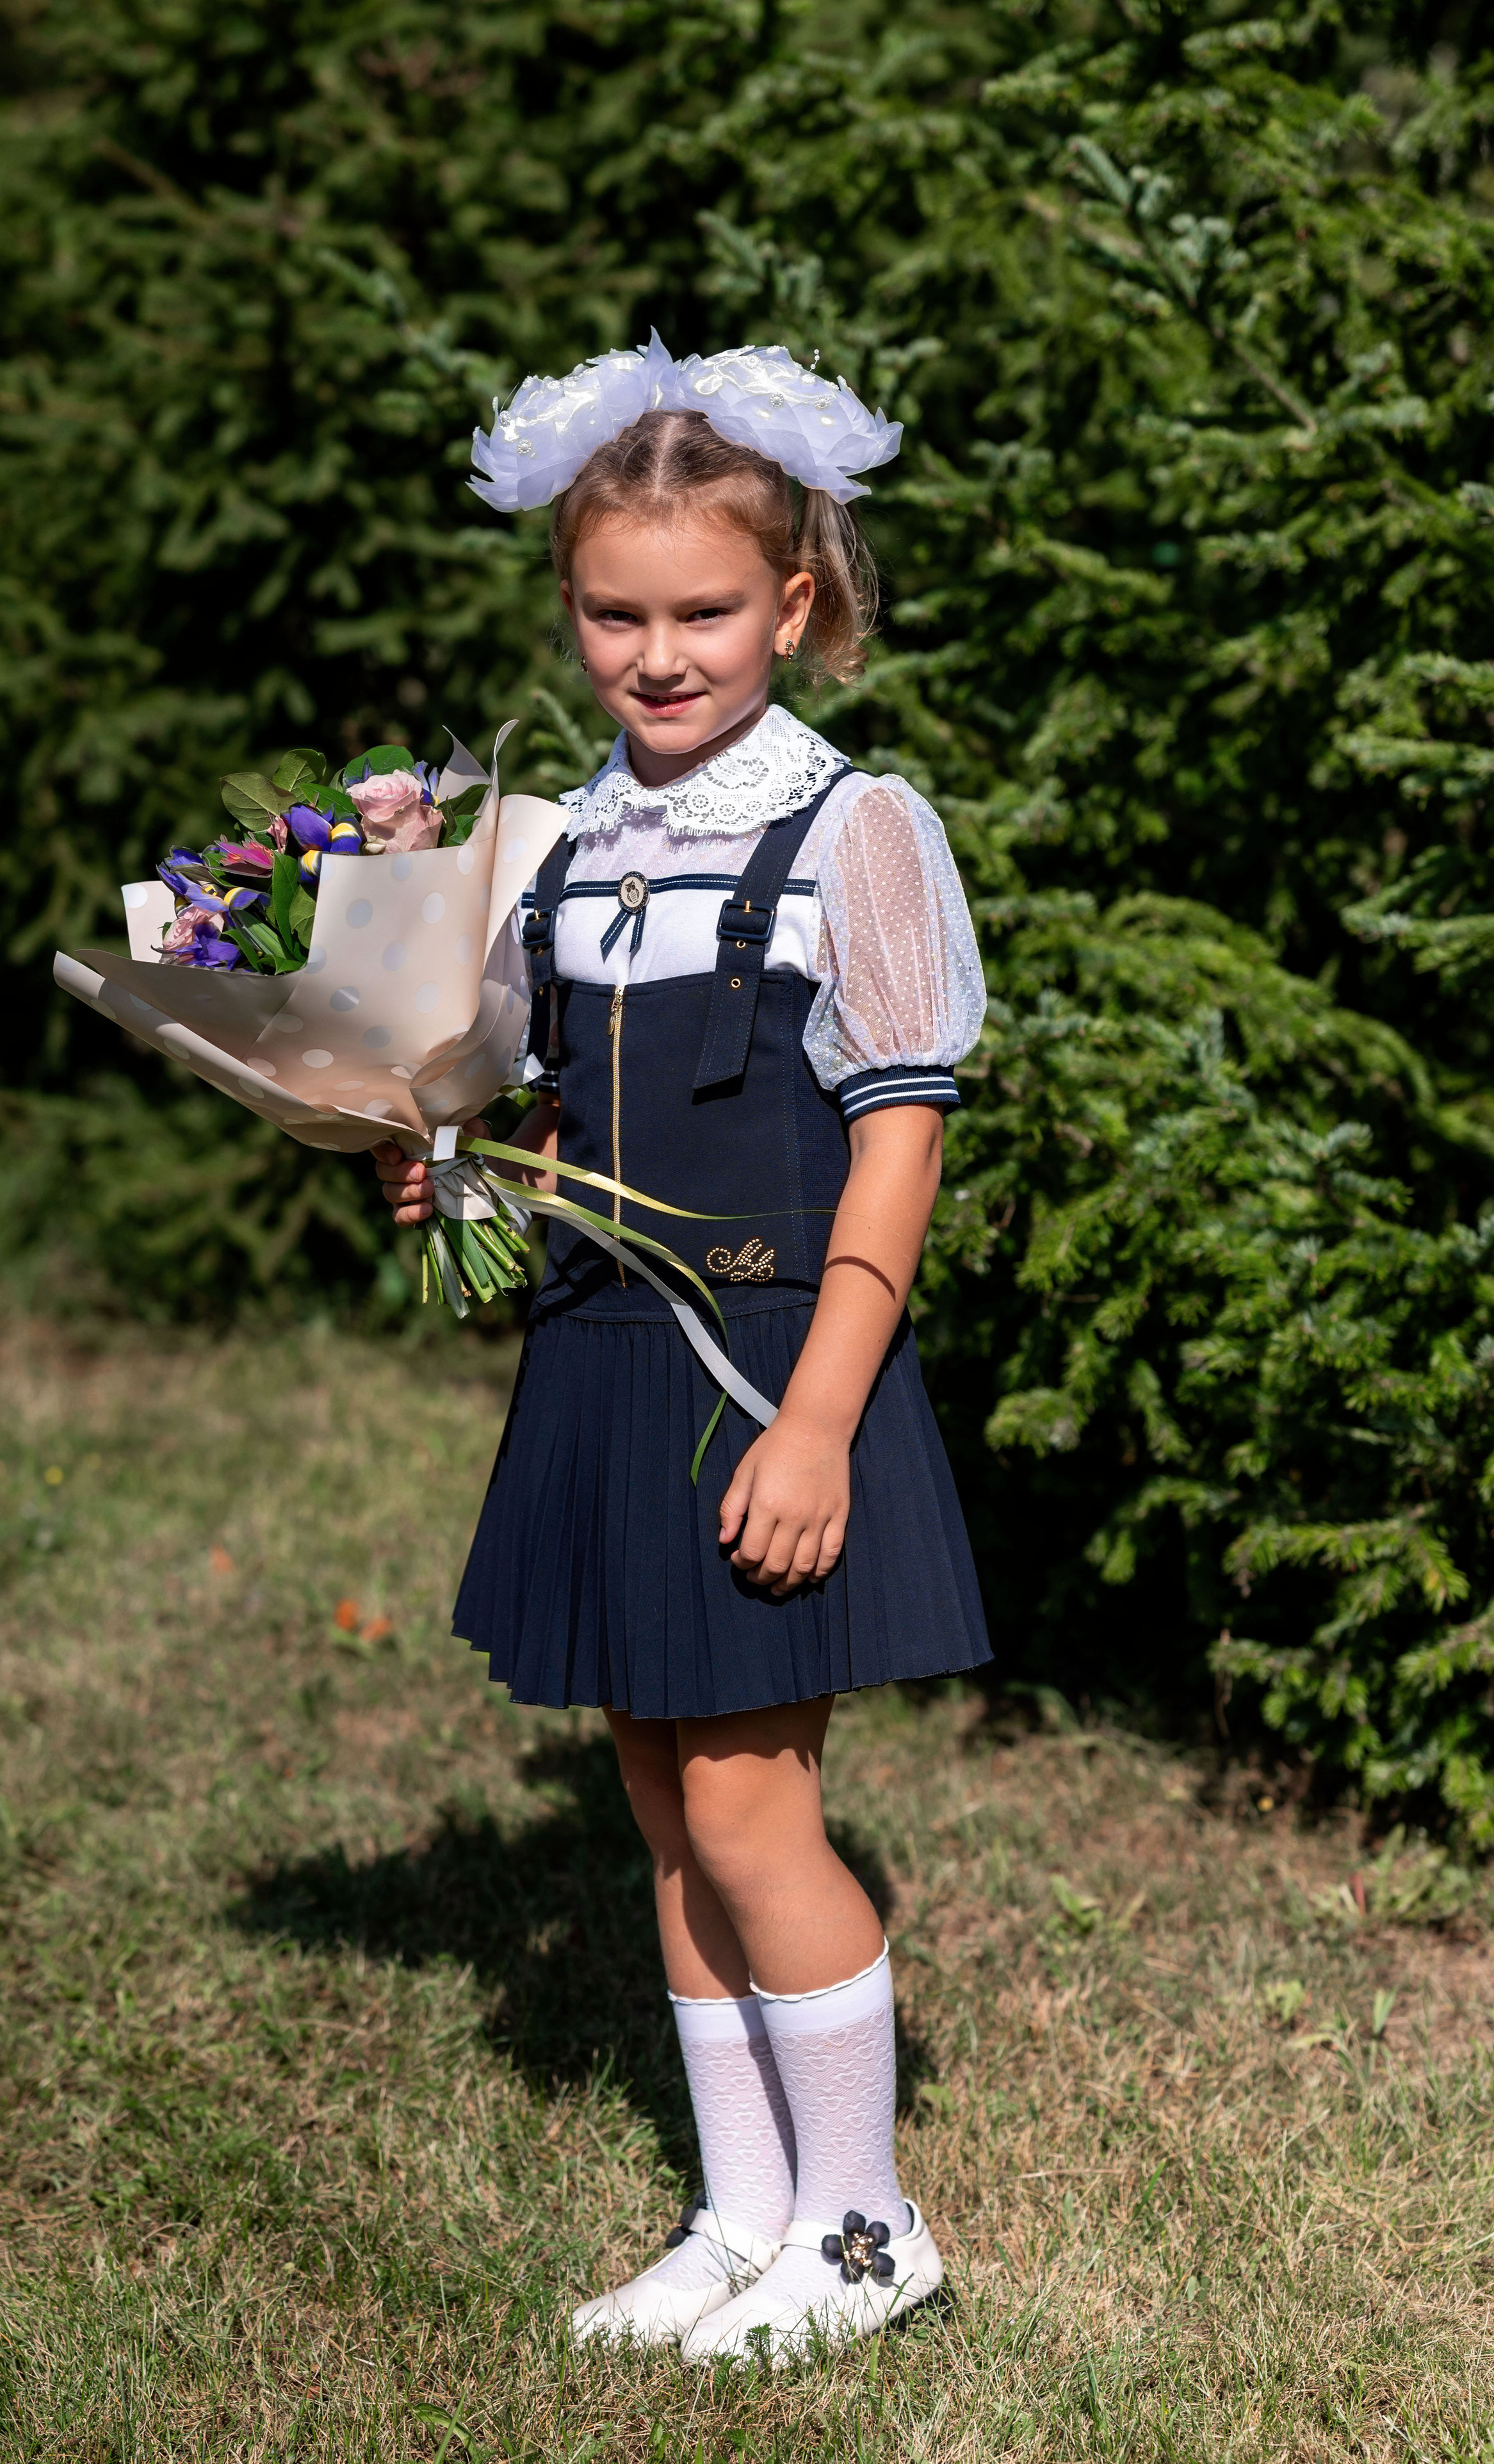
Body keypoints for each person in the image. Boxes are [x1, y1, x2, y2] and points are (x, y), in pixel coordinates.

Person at [373, 336, 990, 2365]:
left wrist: (821, 1420)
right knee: (660, 1803)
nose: (657, 654)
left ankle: (871, 2230)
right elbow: (568, 1121)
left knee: (749, 1810)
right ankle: (746, 2215)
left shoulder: (850, 831)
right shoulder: (562, 850)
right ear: (569, 607)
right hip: (603, 1359)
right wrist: (460, 1176)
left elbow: (894, 1145)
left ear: (793, 601)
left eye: (704, 611)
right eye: (614, 612)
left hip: (769, 1374)